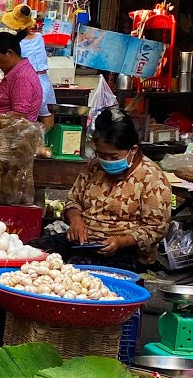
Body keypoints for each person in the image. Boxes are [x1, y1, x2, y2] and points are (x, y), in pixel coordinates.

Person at [30, 107, 171, 269]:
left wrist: (120, 241)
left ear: (133, 150)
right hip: (83, 243)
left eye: (114, 157)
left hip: (127, 252)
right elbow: (73, 201)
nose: (106, 161)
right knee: (31, 251)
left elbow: (156, 229)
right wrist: (76, 219)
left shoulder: (152, 178)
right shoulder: (94, 167)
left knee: (75, 268)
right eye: (101, 155)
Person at [1, 3, 56, 128]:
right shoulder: (40, 38)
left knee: (26, 124)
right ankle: (46, 145)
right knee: (47, 118)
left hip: (28, 83)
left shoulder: (16, 44)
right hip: (45, 82)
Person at [0, 32, 44, 123]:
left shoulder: (22, 78)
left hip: (10, 134)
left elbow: (20, 115)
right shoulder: (17, 72)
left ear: (10, 52)